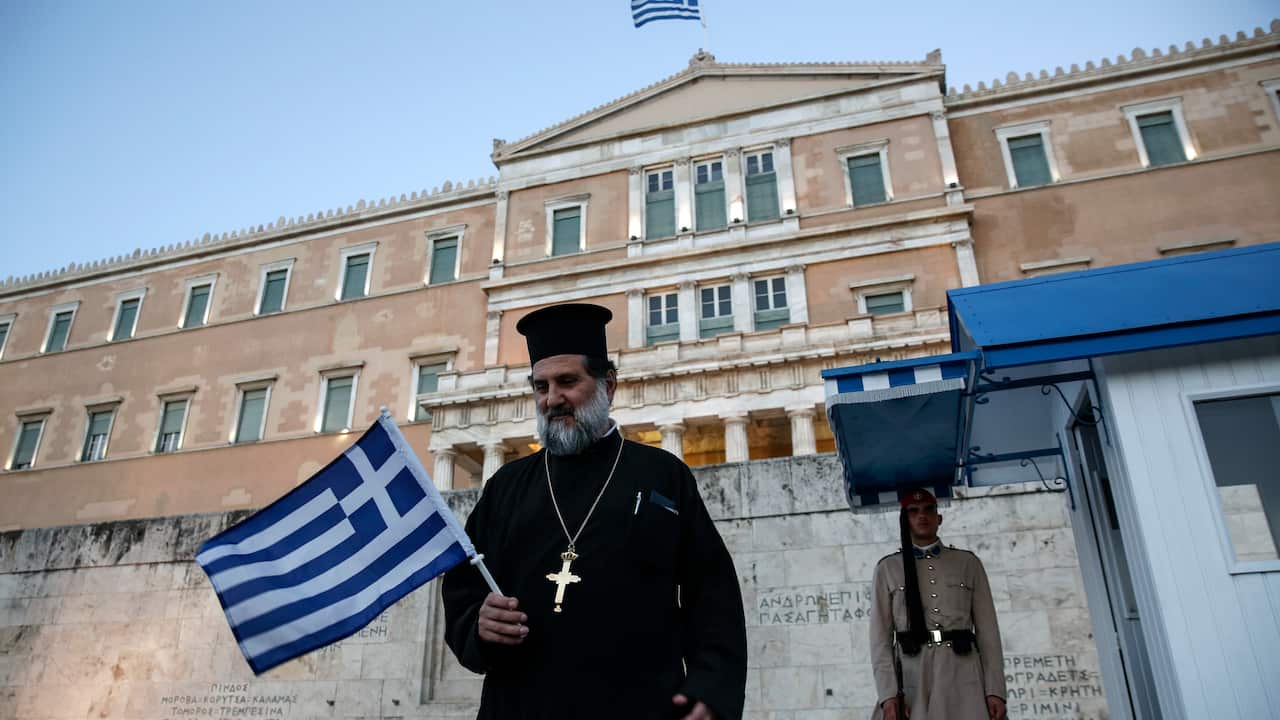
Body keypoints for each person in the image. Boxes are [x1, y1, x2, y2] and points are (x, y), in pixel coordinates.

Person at [441, 303, 748, 720]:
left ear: (608, 385)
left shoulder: (662, 475)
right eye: (541, 386)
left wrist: (710, 690)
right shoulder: (506, 487)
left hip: (641, 706)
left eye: (567, 381)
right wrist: (477, 622)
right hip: (521, 705)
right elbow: (464, 586)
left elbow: (712, 594)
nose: (552, 399)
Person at [869, 488, 1007, 720]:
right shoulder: (888, 568)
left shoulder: (967, 563)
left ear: (939, 518)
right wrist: (888, 695)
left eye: (928, 510)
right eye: (913, 512)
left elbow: (988, 632)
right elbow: (880, 639)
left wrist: (995, 690)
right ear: (904, 520)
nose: (922, 516)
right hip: (914, 673)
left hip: (962, 671)